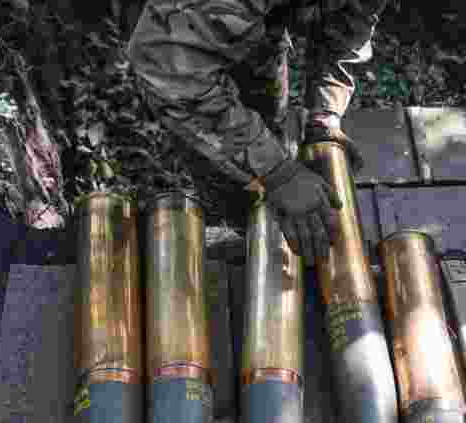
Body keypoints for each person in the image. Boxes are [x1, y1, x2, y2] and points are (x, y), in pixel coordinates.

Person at [127, 0, 388, 266]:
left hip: (259, 26)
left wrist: (324, 114)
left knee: (264, 118)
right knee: (227, 165)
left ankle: (260, 220)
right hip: (177, 39)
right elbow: (165, 66)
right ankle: (240, 224)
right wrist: (278, 173)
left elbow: (351, 21)